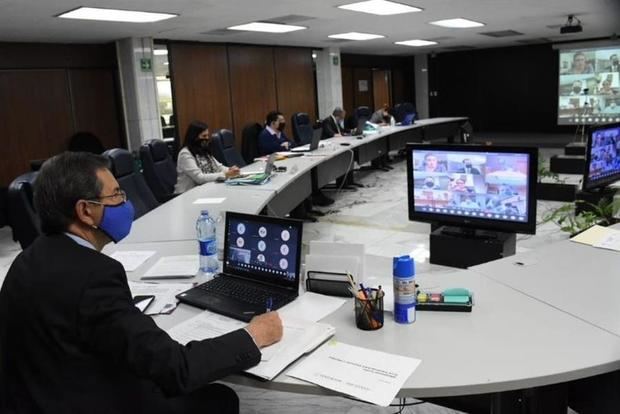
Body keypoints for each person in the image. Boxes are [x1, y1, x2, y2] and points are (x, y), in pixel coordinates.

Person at [0, 152, 283, 413]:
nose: (126, 204)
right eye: (116, 196)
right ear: (86, 211)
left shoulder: (27, 260)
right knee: (220, 398)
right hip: (89, 401)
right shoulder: (95, 275)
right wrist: (254, 335)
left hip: (39, 397)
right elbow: (176, 369)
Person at [175, 121, 240, 193]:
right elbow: (199, 178)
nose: (207, 138)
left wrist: (231, 170)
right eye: (204, 136)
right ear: (194, 137)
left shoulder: (203, 150)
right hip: (187, 194)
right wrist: (225, 174)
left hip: (205, 190)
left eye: (207, 135)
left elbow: (218, 167)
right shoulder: (185, 154)